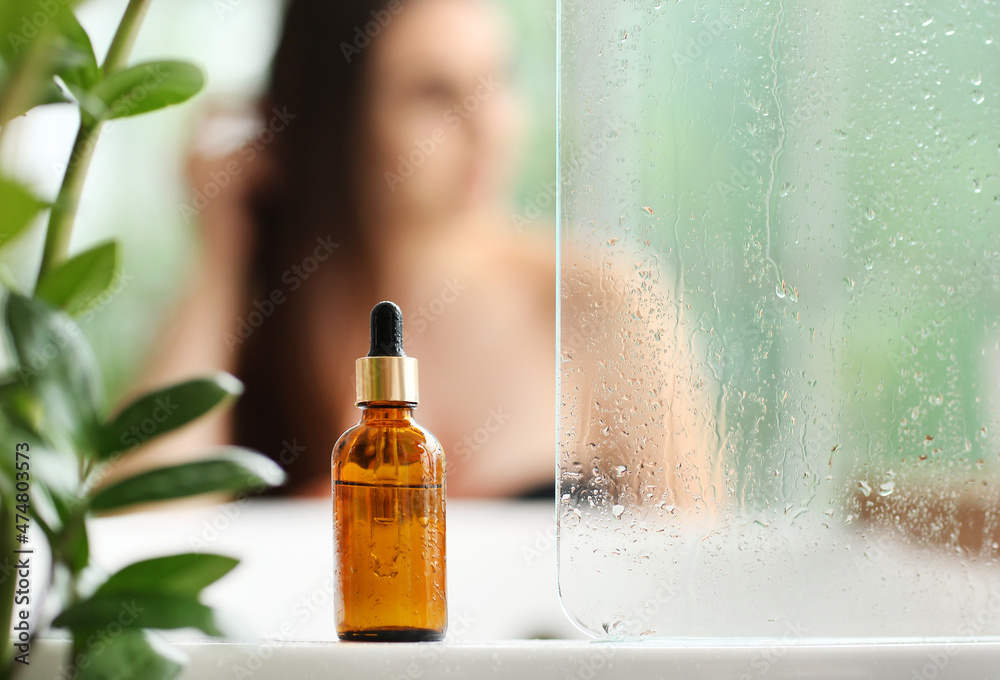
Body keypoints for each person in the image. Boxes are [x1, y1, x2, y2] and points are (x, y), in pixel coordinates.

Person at [129, 0, 557, 498]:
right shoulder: (265, 320)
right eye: (431, 92)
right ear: (332, 118)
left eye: (498, 78)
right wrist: (222, 254)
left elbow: (667, 558)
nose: (488, 126)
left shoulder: (591, 308)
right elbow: (137, 524)